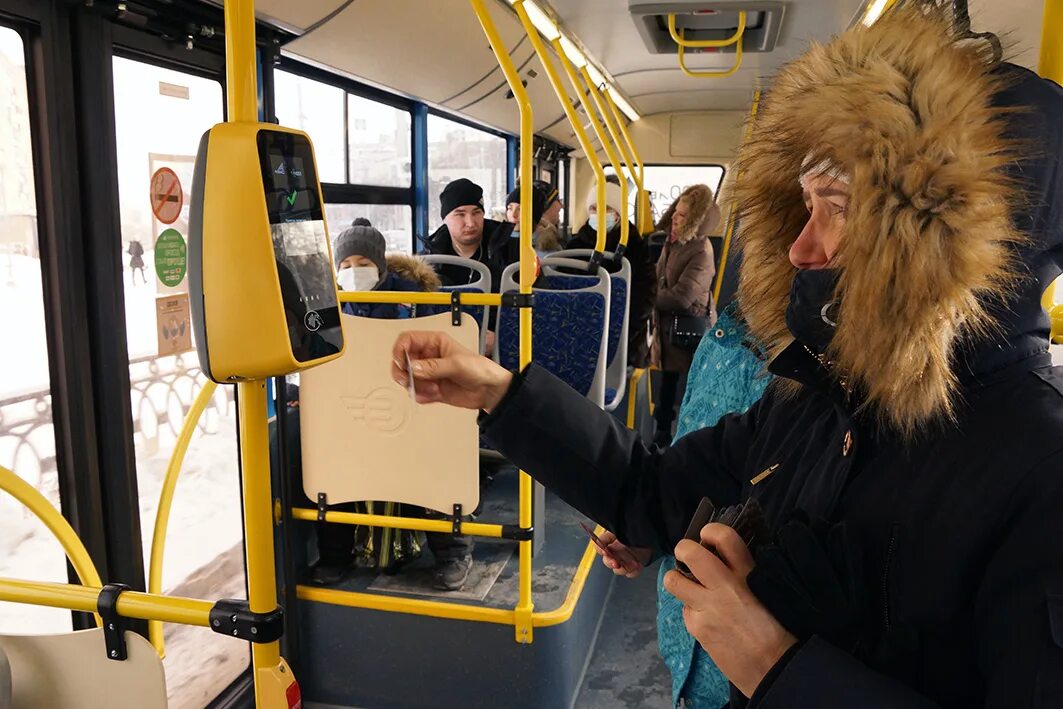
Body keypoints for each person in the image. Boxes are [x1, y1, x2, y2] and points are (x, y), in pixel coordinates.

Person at [390, 6, 1063, 705]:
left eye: (833, 204)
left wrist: (776, 665)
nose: (800, 250)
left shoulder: (1039, 472)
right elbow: (651, 490)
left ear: (955, 241)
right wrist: (499, 392)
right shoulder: (814, 397)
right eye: (801, 208)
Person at [597, 300, 774, 709]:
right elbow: (688, 474)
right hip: (686, 644)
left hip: (759, 675)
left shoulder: (829, 381)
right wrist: (652, 537)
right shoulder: (721, 341)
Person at [313, 223, 476, 590]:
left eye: (363, 262)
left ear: (380, 266)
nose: (354, 272)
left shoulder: (419, 302)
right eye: (346, 265)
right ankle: (334, 555)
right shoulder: (330, 306)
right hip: (354, 406)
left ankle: (454, 551)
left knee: (432, 458)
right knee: (332, 463)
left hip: (415, 402)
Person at [652, 186, 721, 445]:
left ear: (694, 221)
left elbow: (682, 297)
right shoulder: (673, 243)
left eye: (681, 216)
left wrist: (651, 298)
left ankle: (689, 440)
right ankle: (661, 433)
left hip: (690, 327)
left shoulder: (702, 251)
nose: (674, 219)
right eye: (675, 213)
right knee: (667, 385)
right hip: (669, 327)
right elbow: (659, 277)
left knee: (692, 387)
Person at [569, 176, 656, 367]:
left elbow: (645, 296)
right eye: (593, 208)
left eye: (606, 208)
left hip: (626, 336)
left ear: (618, 213)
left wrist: (621, 330)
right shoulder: (575, 244)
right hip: (580, 331)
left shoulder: (634, 245)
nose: (599, 214)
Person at [423, 178, 515, 289]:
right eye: (460, 215)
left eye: (476, 213)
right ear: (445, 219)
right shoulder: (428, 262)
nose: (470, 223)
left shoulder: (513, 252)